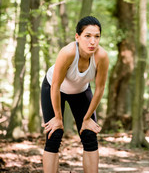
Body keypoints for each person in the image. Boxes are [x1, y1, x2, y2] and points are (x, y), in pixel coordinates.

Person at [41, 16, 109, 173]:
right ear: (77, 37)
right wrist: (58, 118)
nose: (92, 41)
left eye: (97, 36)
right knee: (54, 134)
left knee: (89, 134)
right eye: (87, 36)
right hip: (53, 88)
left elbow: (99, 89)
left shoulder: (102, 57)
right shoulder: (68, 52)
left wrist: (87, 119)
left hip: (81, 91)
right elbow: (56, 86)